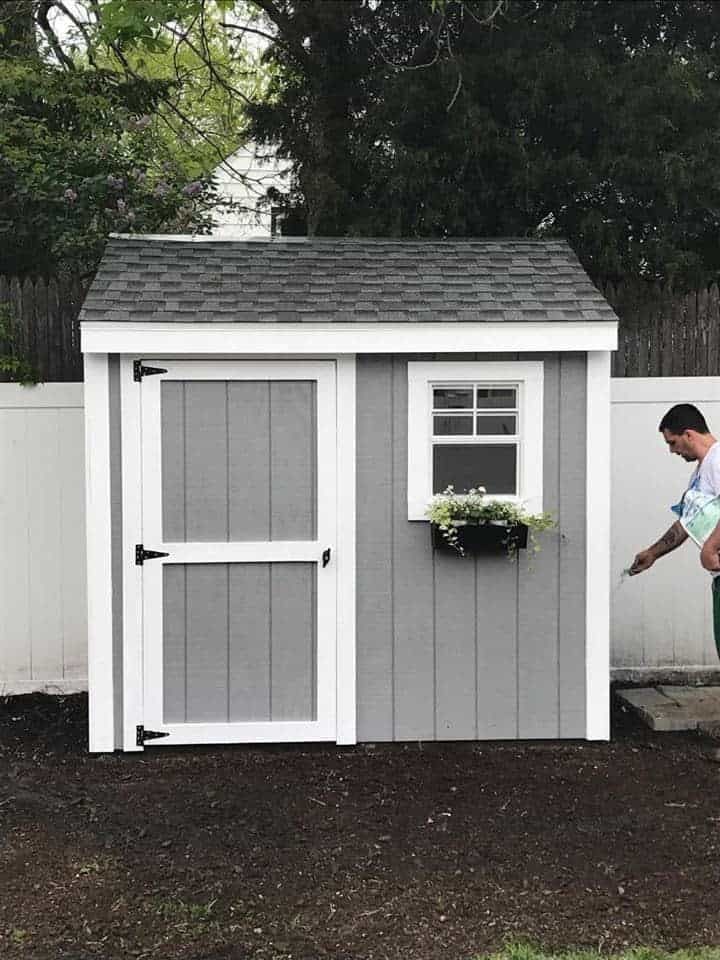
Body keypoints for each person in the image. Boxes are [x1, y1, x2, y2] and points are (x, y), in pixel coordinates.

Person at [631, 403, 720, 657]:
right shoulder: (700, 473)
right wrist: (653, 553)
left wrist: (710, 547)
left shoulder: (717, 459)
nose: (672, 451)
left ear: (689, 434)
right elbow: (686, 523)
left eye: (672, 442)